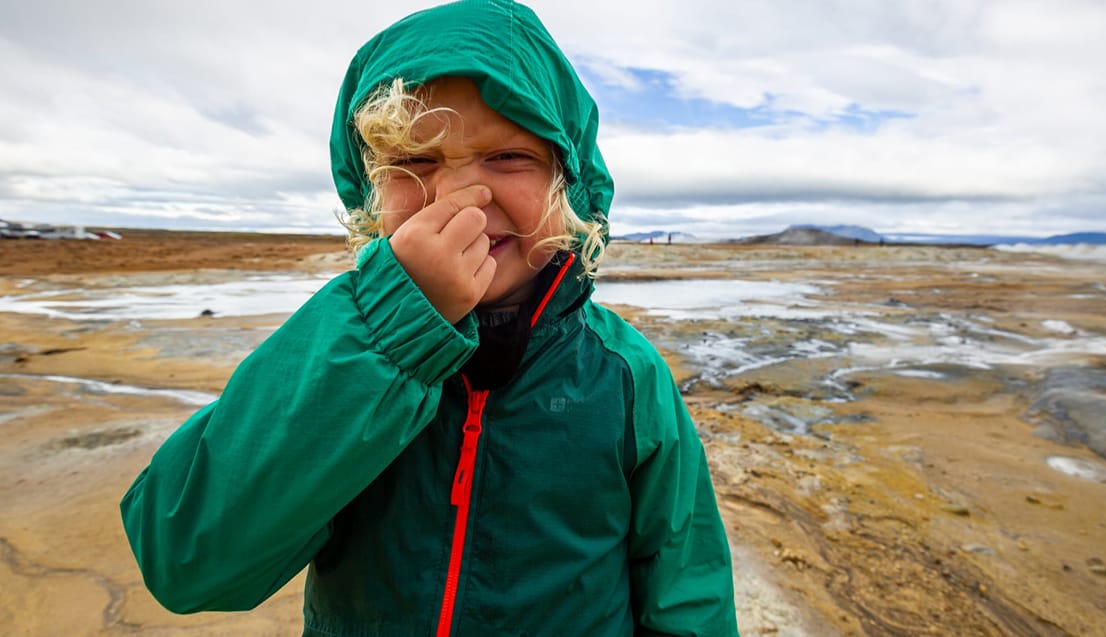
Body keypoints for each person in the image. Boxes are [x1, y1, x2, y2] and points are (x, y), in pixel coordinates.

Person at [120, 1, 739, 635]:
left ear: (571, 186)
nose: (457, 199)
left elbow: (686, 592)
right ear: (369, 193)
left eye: (509, 158)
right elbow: (189, 563)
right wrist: (391, 335)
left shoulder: (628, 377)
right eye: (414, 164)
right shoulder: (341, 351)